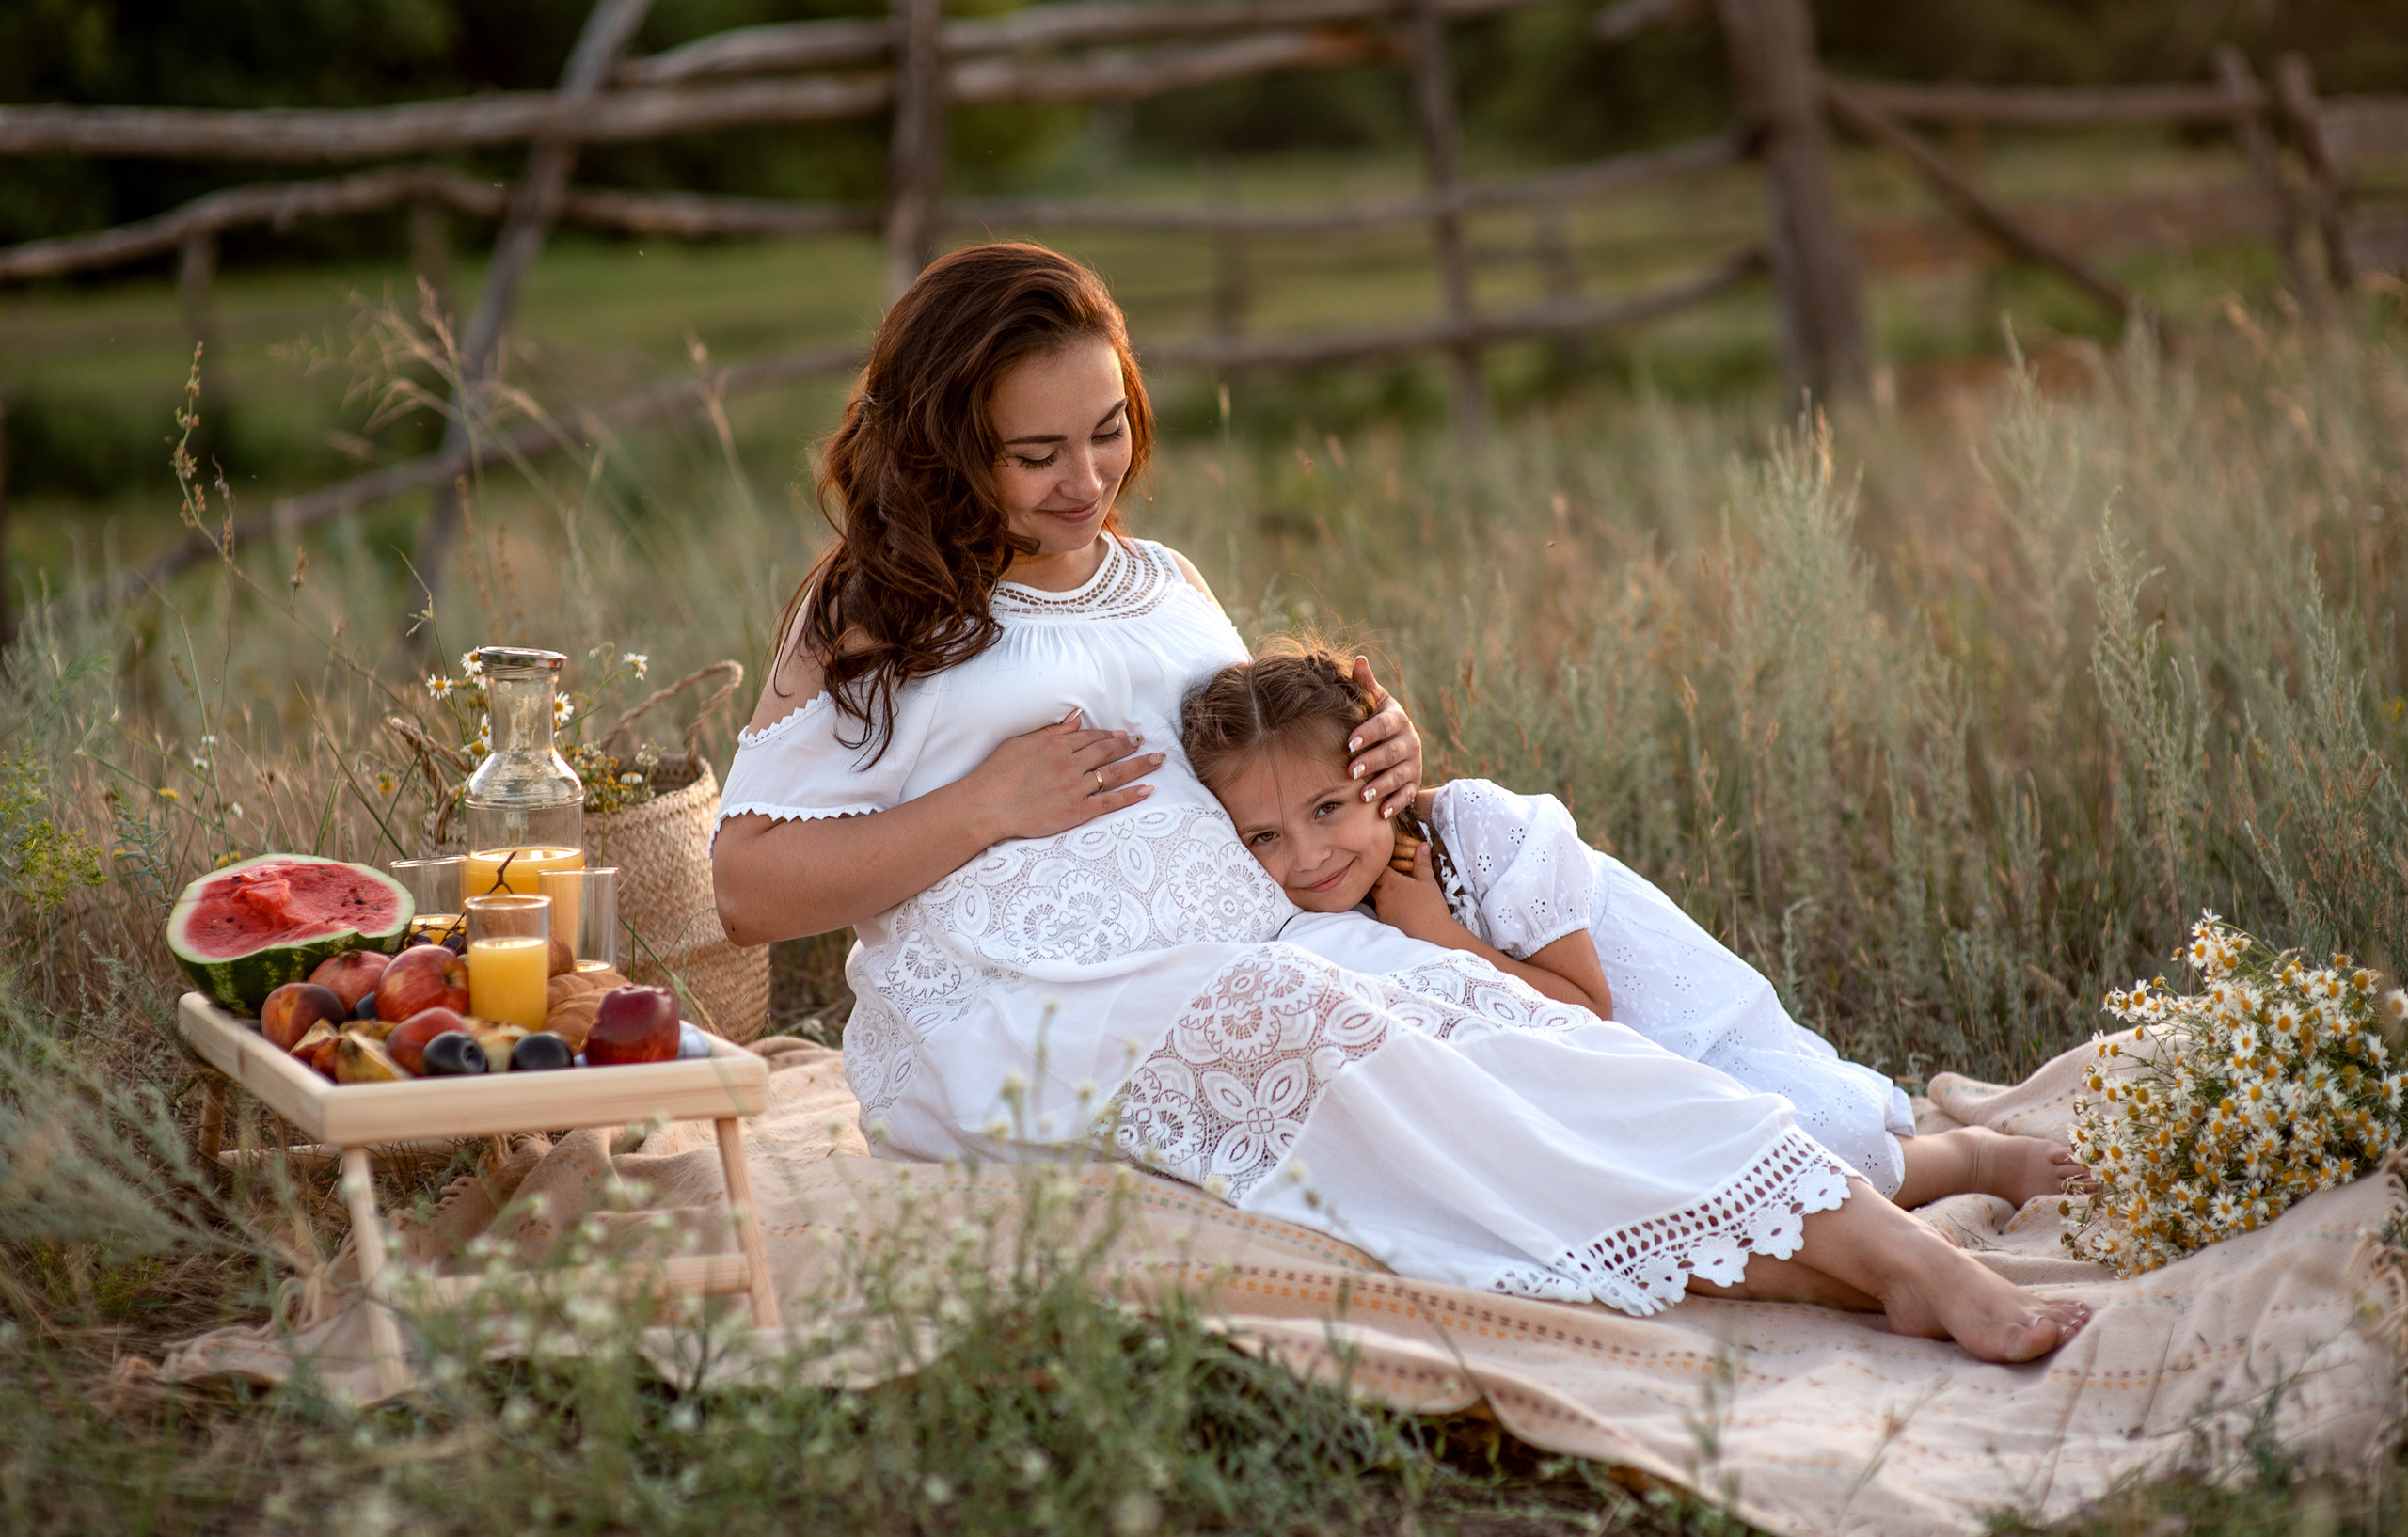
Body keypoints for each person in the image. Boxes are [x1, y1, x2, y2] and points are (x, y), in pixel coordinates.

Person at [711, 241, 2088, 1361]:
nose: (1088, 480)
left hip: (1269, 938)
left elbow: (1252, 752)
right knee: (1394, 1068)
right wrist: (985, 806)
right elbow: (745, 885)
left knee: (1530, 1035)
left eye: (1110, 430)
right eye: (1038, 454)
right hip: (1032, 1014)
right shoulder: (878, 615)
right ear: (950, 446)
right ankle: (1881, 1264)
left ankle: (1889, 1241)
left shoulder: (1165, 576)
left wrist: (1370, 751)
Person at [1180, 643, 2087, 1210]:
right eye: (1263, 835)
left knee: (1813, 1157)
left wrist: (1444, 939)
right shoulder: (1328, 916)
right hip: (1592, 1086)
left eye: (1329, 806)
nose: (1304, 856)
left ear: (1378, 768)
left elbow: (1589, 1008)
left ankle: (1968, 1157)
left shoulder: (1481, 835)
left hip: (1676, 1033)